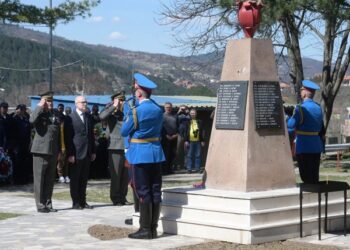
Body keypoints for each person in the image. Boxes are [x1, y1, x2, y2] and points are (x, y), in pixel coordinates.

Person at [121, 73, 165, 239]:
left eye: (136, 89)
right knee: (155, 191)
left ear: (139, 93)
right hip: (156, 152)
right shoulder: (157, 108)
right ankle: (152, 229)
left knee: (142, 191)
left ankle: (145, 230)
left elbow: (124, 131)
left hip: (140, 153)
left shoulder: (137, 110)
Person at [30, 91, 67, 213]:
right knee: (39, 179)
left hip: (52, 151)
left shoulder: (56, 113)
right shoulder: (39, 113)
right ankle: (40, 205)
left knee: (50, 180)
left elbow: (58, 133)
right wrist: (40, 106)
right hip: (40, 151)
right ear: (42, 101)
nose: (49, 103)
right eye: (47, 101)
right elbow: (31, 120)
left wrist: (60, 150)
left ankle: (48, 203)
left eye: (51, 101)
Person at [287, 80, 325, 184]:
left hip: (304, 145)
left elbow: (291, 126)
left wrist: (290, 116)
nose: (300, 92)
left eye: (301, 90)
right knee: (314, 174)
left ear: (305, 92)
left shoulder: (301, 108)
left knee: (306, 176)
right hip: (316, 145)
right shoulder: (318, 107)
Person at [99, 90, 129, 205]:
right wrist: (113, 106)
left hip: (127, 147)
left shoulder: (127, 111)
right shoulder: (110, 112)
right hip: (115, 147)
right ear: (115, 100)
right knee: (116, 175)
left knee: (125, 175)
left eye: (123, 100)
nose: (122, 102)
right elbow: (102, 116)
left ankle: (123, 197)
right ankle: (116, 198)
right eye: (120, 100)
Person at [66, 96, 96, 209]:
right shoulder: (71, 117)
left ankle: (83, 201)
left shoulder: (88, 117)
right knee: (75, 179)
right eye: (83, 102)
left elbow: (91, 136)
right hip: (76, 152)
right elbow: (68, 138)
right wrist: (70, 154)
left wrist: (93, 151)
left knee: (84, 179)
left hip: (87, 152)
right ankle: (75, 202)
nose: (85, 104)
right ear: (76, 103)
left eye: (86, 102)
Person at [12, 104, 32, 184]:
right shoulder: (14, 118)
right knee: (17, 161)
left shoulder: (25, 118)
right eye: (22, 109)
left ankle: (24, 178)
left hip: (25, 143)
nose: (23, 111)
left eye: (24, 110)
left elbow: (28, 130)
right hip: (17, 143)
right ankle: (17, 179)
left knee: (24, 161)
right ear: (18, 110)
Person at [184, 108, 205, 173]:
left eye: (194, 113)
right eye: (191, 113)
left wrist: (202, 140)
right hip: (190, 141)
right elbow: (185, 132)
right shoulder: (187, 122)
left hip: (198, 141)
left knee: (198, 155)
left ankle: (197, 169)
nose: (193, 114)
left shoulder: (199, 121)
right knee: (189, 155)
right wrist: (186, 140)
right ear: (190, 114)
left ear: (196, 114)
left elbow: (202, 132)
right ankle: (189, 169)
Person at [161, 102, 178, 175]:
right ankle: (164, 170)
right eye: (167, 107)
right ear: (164, 108)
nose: (168, 108)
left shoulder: (175, 116)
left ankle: (170, 169)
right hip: (165, 138)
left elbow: (179, 126)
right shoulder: (162, 116)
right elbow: (160, 127)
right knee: (165, 154)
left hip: (174, 137)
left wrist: (176, 134)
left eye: (169, 107)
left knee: (172, 154)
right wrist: (165, 135)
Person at [56, 103, 70, 184]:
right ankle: (60, 176)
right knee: (60, 161)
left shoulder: (65, 119)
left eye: (62, 108)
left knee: (66, 162)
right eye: (59, 108)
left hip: (65, 143)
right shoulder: (56, 119)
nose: (61, 109)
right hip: (59, 144)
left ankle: (66, 175)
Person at [176, 105, 190, 169]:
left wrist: (188, 113)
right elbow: (175, 121)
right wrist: (178, 112)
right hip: (179, 134)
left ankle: (186, 165)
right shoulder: (178, 115)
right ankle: (177, 165)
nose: (183, 110)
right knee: (178, 150)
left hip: (187, 135)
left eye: (184, 109)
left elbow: (191, 121)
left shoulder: (188, 115)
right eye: (182, 109)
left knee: (186, 151)